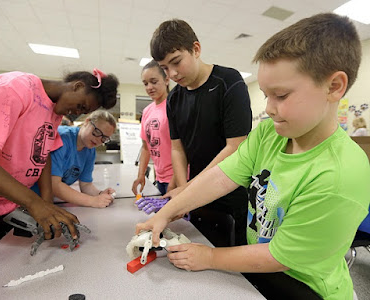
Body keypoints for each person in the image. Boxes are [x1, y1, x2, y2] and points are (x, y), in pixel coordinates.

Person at [136, 13, 370, 300]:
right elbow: (221, 176)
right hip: (258, 275)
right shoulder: (269, 134)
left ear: (334, 87)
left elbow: (279, 256)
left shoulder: (341, 173)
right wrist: (165, 213)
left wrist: (210, 257)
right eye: (266, 95)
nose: (269, 109)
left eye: (281, 96)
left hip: (307, 288)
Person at [0, 69, 119, 265]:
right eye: (80, 105)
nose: (75, 113)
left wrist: (47, 204)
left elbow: (44, 154)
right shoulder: (14, 89)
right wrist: (35, 203)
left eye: (82, 111)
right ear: (77, 85)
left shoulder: (53, 110)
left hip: (6, 208)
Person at [150, 19, 252, 246]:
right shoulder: (174, 98)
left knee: (230, 261)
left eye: (176, 62)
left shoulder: (229, 82)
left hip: (230, 194)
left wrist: (187, 189)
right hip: (195, 195)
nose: (172, 74)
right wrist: (181, 186)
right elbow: (177, 147)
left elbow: (235, 147)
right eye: (165, 68)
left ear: (196, 49)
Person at [32, 109, 117, 208]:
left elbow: (86, 185)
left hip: (50, 201)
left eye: (104, 138)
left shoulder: (90, 150)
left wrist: (100, 195)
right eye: (97, 132)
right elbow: (54, 184)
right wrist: (92, 201)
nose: (98, 140)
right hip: (30, 197)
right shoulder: (62, 138)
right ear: (87, 122)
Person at [132, 60, 175, 196]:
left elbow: (185, 149)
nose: (149, 87)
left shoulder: (175, 107)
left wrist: (176, 181)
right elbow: (146, 147)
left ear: (166, 80)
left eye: (154, 81)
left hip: (177, 179)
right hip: (159, 177)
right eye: (145, 83)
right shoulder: (147, 111)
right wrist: (141, 175)